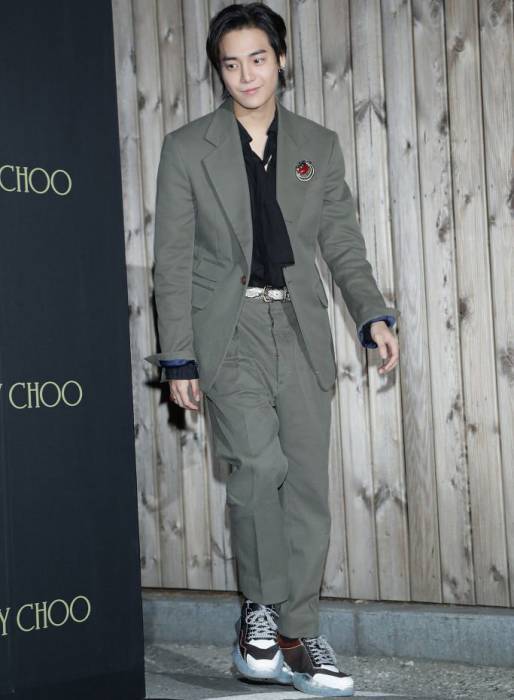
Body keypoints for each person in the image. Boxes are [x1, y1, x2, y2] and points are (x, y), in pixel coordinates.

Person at [146, 3, 399, 696]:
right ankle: (261, 611)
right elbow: (173, 259)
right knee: (258, 468)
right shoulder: (186, 149)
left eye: (258, 58)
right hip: (228, 331)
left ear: (281, 60)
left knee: (307, 486)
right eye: (231, 64)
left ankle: (300, 634)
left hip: (300, 326)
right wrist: (179, 355)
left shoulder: (319, 143)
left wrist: (372, 314)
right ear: (219, 70)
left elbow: (341, 243)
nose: (246, 75)